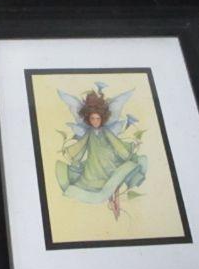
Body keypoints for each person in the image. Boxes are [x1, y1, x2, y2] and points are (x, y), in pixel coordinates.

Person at [56, 86, 147, 219]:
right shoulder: (89, 133)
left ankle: (116, 206)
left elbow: (117, 143)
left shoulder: (106, 131)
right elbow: (81, 145)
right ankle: (113, 207)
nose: (95, 121)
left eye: (97, 118)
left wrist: (129, 149)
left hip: (109, 162)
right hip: (93, 167)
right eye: (92, 119)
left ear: (102, 119)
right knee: (95, 185)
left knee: (114, 182)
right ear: (88, 119)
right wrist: (70, 152)